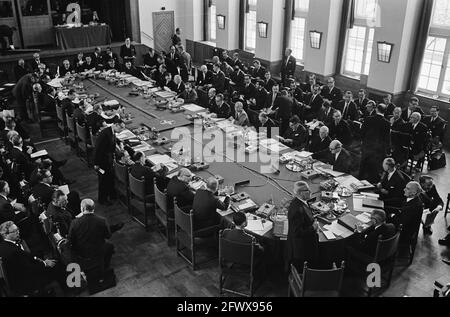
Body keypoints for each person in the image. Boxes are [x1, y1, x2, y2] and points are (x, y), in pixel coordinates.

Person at [0, 221, 61, 295]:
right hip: (25, 283)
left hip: (22, 276)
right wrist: (44, 263)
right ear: (5, 235)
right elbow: (29, 268)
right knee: (57, 264)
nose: (18, 232)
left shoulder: (4, 245)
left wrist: (42, 261)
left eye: (17, 229)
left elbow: (27, 259)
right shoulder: (13, 251)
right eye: (14, 231)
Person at [68, 199, 115, 270]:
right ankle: (105, 266)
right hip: (97, 250)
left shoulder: (74, 222)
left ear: (82, 208)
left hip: (81, 252)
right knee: (110, 246)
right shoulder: (102, 221)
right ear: (93, 208)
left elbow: (71, 238)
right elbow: (108, 236)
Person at [287, 182, 319, 271]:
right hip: (302, 251)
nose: (310, 191)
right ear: (300, 193)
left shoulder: (300, 202)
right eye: (307, 190)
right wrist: (313, 227)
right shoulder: (297, 210)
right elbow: (297, 232)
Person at [94, 120, 125, 205]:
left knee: (110, 178)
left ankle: (112, 195)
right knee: (103, 180)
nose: (122, 130)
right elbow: (97, 149)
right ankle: (102, 199)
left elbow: (112, 143)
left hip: (108, 160)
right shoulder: (105, 134)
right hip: (102, 162)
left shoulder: (111, 132)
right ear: (116, 125)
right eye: (121, 127)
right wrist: (96, 164)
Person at [359, 104, 391, 183]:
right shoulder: (387, 123)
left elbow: (362, 133)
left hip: (367, 147)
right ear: (385, 111)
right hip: (378, 150)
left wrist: (363, 142)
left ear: (376, 109)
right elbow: (386, 138)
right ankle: (371, 182)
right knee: (374, 168)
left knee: (363, 164)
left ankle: (359, 179)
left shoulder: (368, 119)